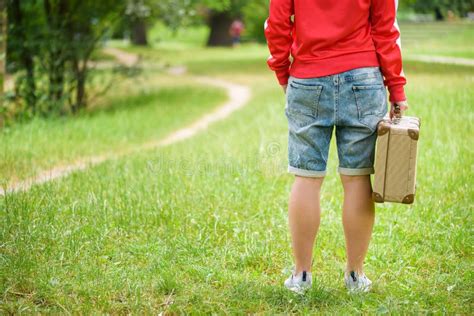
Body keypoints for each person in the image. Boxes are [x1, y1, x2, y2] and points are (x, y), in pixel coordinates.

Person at [264, 0, 409, 294]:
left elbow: (277, 24)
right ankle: (355, 276)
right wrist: (396, 88)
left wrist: (283, 72)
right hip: (363, 79)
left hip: (307, 78)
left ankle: (301, 276)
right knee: (357, 178)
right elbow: (385, 30)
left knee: (306, 177)